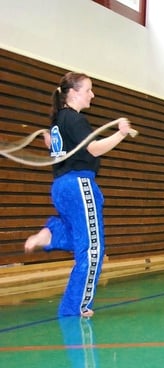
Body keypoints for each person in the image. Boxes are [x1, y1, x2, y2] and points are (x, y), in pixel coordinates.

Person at [24, 72, 134, 318]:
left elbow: (61, 149)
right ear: (73, 93)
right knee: (92, 248)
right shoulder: (74, 119)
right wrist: (120, 134)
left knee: (81, 237)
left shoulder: (58, 121)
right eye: (88, 90)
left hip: (61, 187)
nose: (92, 95)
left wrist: (50, 142)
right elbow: (93, 149)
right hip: (79, 184)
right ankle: (76, 306)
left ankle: (52, 234)